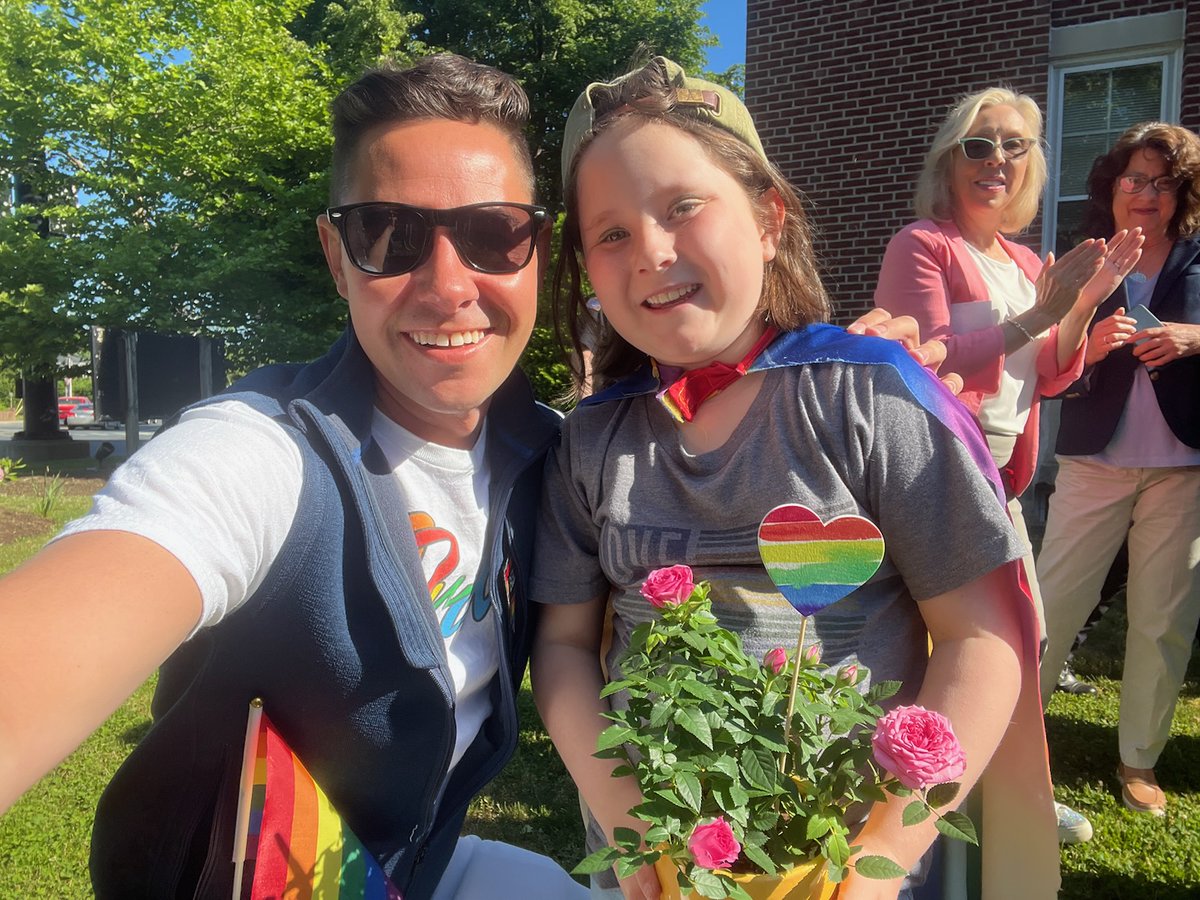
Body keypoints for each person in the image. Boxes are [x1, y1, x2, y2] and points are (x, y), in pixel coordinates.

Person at [0, 54, 588, 900]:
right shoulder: (260, 452)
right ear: (336, 255)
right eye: (389, 235)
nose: (449, 286)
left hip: (412, 867)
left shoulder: (549, 454)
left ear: (536, 249)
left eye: (494, 234)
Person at [531, 57, 1059, 900]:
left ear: (769, 219)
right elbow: (561, 646)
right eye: (612, 232)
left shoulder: (871, 399)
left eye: (683, 207)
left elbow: (980, 638)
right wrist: (627, 820)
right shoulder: (592, 441)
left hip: (848, 860)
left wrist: (880, 857)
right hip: (659, 861)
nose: (651, 252)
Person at [874, 87, 1141, 643]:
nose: (997, 159)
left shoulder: (1022, 261)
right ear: (950, 159)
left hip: (1002, 476)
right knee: (965, 642)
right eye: (978, 145)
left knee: (1023, 639)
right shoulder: (923, 244)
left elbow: (1052, 372)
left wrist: (1084, 304)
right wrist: (1041, 311)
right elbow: (923, 360)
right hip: (937, 473)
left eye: (1014, 146)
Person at [1036, 121, 1200, 818]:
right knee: (1050, 605)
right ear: (1112, 187)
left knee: (1162, 620)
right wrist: (1090, 342)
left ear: (1182, 194)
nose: (1146, 193)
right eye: (1134, 179)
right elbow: (1046, 350)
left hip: (1181, 468)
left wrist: (1195, 337)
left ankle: (1138, 762)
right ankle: (1010, 737)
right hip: (1093, 461)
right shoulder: (1086, 259)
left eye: (1164, 182)